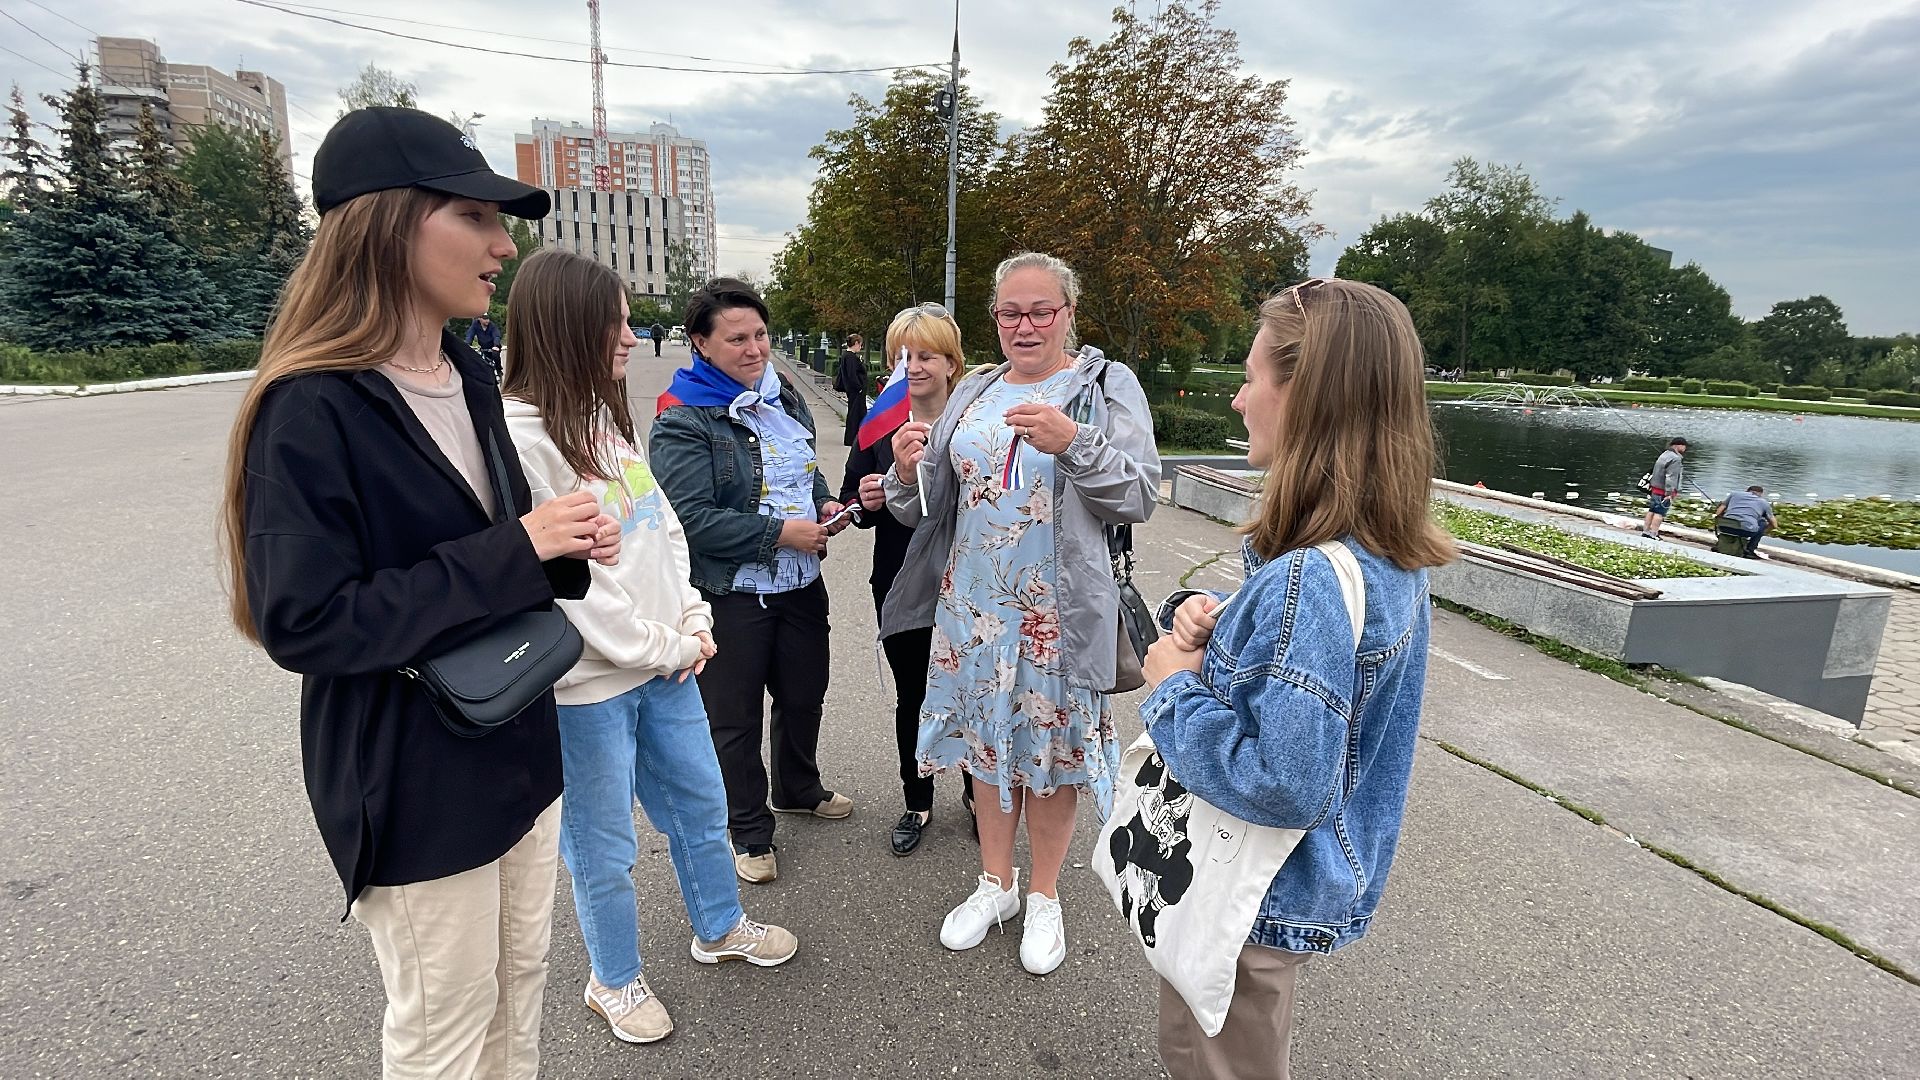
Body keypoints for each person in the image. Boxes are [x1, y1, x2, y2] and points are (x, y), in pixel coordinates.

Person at [220, 107, 623, 1078]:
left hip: (517, 738)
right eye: (476, 217)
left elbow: (492, 550)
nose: (503, 244)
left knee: (516, 991)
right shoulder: (311, 406)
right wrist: (520, 548)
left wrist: (564, 543)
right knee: (443, 1029)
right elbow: (305, 620)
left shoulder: (466, 374)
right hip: (412, 774)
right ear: (391, 223)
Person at [1144, 278, 1456, 1079]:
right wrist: (1210, 616)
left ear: (1305, 397)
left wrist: (1171, 685)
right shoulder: (1380, 551)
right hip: (1294, 890)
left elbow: (1287, 782)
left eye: (1253, 379)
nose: (1240, 400)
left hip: (1250, 903)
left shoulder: (1310, 580)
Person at [501, 250, 798, 1047]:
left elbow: (660, 530)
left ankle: (719, 926)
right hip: (588, 683)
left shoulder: (601, 420)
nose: (634, 336)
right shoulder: (520, 439)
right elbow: (573, 585)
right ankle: (614, 978)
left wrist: (693, 621)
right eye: (619, 323)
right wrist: (662, 643)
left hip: (666, 663)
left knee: (701, 806)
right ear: (571, 329)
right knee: (604, 845)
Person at [881, 251, 1160, 975]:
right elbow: (927, 510)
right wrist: (907, 470)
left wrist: (1075, 443)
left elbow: (1138, 495)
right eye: (1011, 312)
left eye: (1042, 310)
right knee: (985, 749)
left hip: (1056, 616)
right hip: (973, 611)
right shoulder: (974, 389)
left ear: (1069, 313)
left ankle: (1043, 896)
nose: (1026, 324)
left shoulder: (1103, 386)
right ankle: (994, 884)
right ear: (994, 318)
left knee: (1053, 760)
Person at [648, 277, 855, 885]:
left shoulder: (781, 396)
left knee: (803, 692)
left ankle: (797, 785)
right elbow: (689, 520)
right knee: (732, 718)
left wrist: (820, 505)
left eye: (760, 334)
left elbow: (803, 468)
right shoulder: (682, 419)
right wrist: (779, 534)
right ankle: (749, 829)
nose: (755, 349)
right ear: (700, 344)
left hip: (798, 582)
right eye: (736, 338)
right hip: (731, 592)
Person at [838, 303, 974, 856]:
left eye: (925, 355)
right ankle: (917, 799)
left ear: (951, 363)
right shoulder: (880, 426)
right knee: (914, 694)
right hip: (899, 581)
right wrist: (865, 499)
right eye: (901, 356)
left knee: (970, 692)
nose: (912, 366)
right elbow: (855, 500)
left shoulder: (974, 426)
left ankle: (974, 792)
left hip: (971, 584)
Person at [1713, 484, 1778, 558]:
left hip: (1724, 527)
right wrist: (1763, 532)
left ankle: (1721, 544)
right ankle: (1750, 549)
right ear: (1760, 494)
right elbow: (1774, 525)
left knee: (1729, 520)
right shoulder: (1764, 502)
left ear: (1747, 491)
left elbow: (1718, 512)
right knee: (1762, 523)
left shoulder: (1734, 494)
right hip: (1745, 531)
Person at [1643, 436, 1688, 539]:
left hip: (1655, 487)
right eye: (1684, 446)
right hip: (1664, 490)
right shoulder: (1675, 459)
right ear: (1678, 446)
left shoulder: (1664, 454)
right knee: (1660, 513)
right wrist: (1669, 493)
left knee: (1652, 510)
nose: (1685, 449)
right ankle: (1653, 533)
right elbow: (1670, 477)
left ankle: (1646, 531)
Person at [834, 332, 869, 445]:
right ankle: (853, 437)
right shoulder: (850, 357)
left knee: (855, 413)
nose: (861, 347)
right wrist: (858, 387)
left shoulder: (847, 356)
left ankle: (854, 437)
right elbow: (852, 374)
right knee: (856, 414)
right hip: (856, 391)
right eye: (860, 344)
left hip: (854, 390)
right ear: (856, 343)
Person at [465, 311, 503, 378]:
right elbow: (470, 335)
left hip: (493, 347)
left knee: (495, 355)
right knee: (478, 358)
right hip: (483, 347)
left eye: (488, 319)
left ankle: (499, 369)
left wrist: (496, 345)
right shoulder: (475, 325)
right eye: (485, 319)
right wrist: (467, 344)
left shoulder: (492, 326)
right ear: (479, 319)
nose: (487, 320)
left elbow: (496, 336)